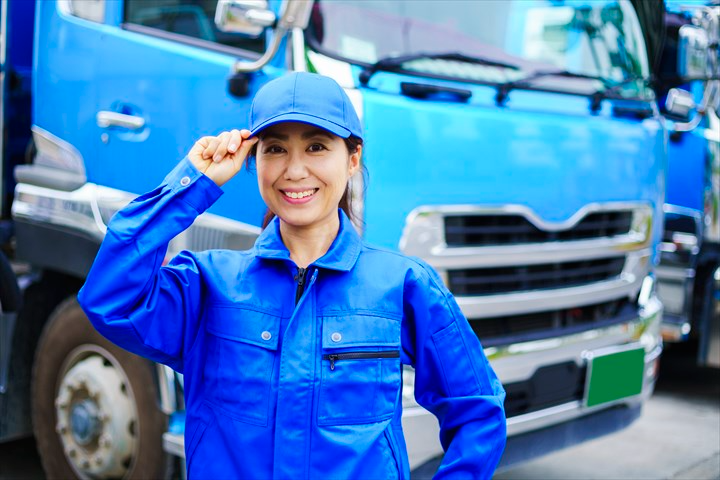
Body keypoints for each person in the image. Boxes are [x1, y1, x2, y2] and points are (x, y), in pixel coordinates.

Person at [78, 72, 506, 479]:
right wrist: (193, 183)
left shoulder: (403, 285)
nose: (295, 171)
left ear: (353, 158)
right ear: (254, 159)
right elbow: (110, 298)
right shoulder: (209, 284)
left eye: (317, 147)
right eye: (276, 149)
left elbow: (478, 412)